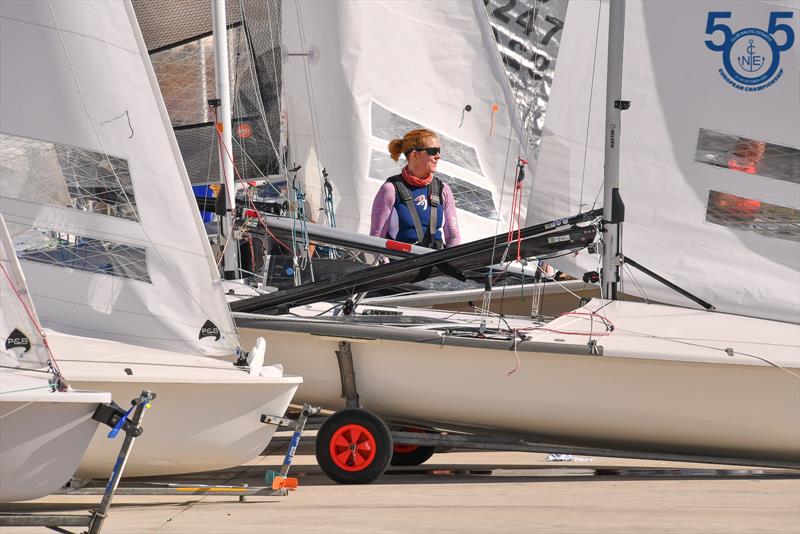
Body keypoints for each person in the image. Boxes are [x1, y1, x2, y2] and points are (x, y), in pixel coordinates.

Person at [370, 128, 460, 249]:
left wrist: (450, 260)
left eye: (438, 151)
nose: (438, 156)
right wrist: (385, 260)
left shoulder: (443, 190)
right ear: (414, 155)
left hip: (436, 259)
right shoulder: (390, 190)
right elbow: (376, 238)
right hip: (400, 260)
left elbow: (454, 237)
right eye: (433, 151)